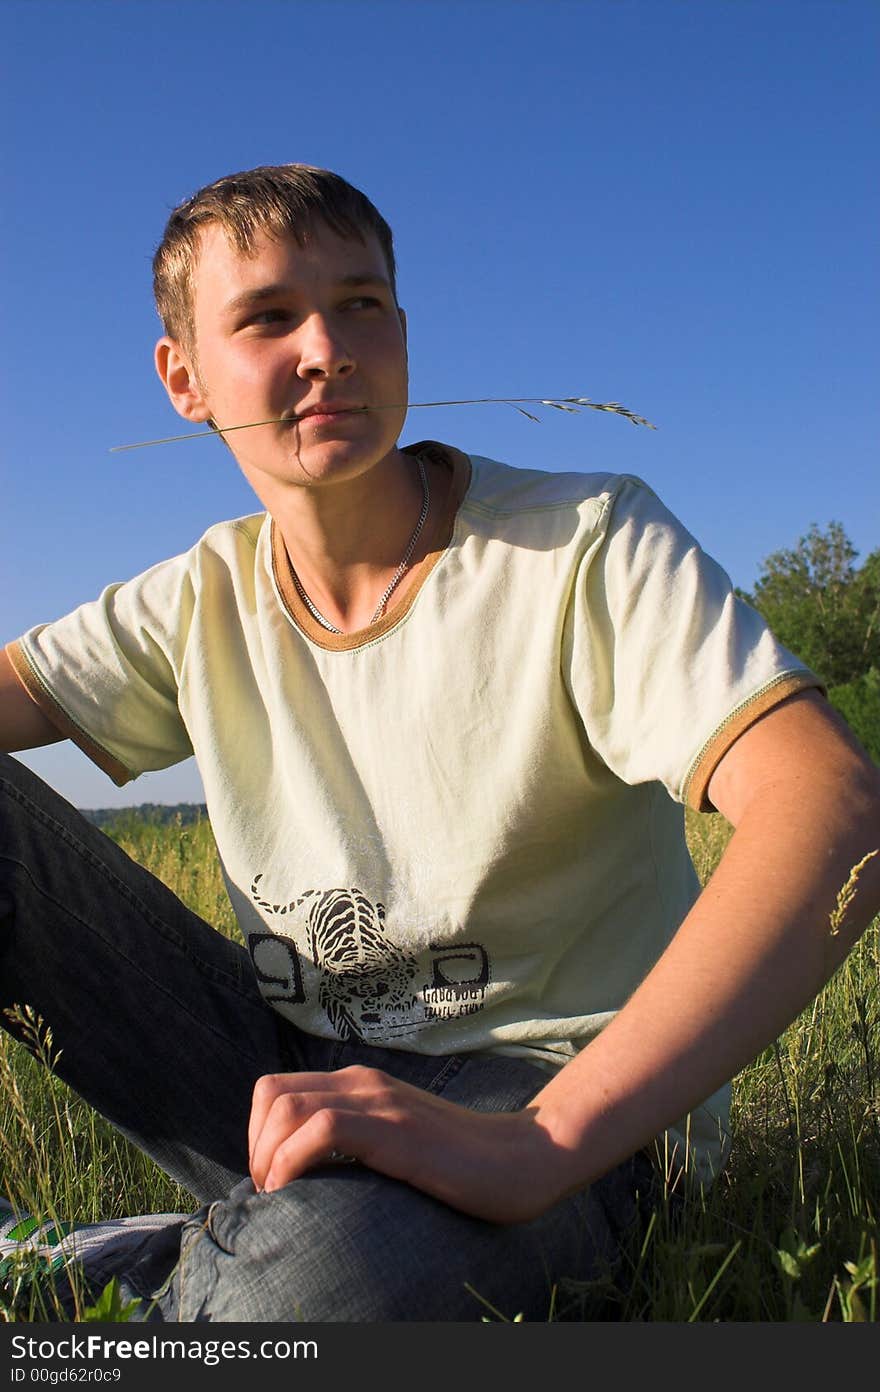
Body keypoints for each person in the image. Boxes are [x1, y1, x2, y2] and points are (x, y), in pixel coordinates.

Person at [1, 163, 878, 1324]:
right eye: (267, 317)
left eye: (360, 304)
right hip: (282, 1071)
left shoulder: (580, 543)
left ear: (402, 331)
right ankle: (205, 1254)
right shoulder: (200, 594)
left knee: (311, 1297)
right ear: (185, 378)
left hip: (560, 1113)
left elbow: (831, 805)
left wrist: (549, 1139)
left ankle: (154, 1272)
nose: (327, 347)